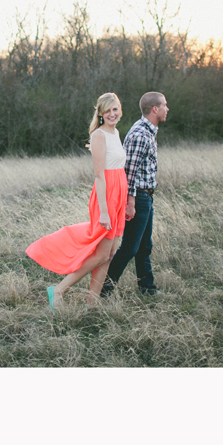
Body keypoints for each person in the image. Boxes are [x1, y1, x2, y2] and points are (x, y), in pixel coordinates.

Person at [25, 93, 127, 308]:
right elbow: (100, 175)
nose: (112, 114)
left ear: (120, 110)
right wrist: (105, 211)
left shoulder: (116, 132)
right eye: (107, 110)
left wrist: (124, 202)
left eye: (115, 109)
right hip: (106, 195)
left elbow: (118, 169)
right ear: (100, 113)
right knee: (101, 254)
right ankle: (59, 290)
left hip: (119, 194)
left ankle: (92, 303)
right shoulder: (99, 135)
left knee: (109, 254)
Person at [100, 91, 168, 298]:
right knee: (129, 247)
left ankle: (147, 289)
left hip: (146, 196)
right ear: (155, 109)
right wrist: (131, 202)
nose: (167, 109)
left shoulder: (149, 131)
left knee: (144, 246)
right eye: (164, 105)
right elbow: (129, 171)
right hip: (138, 197)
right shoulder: (140, 134)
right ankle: (104, 290)